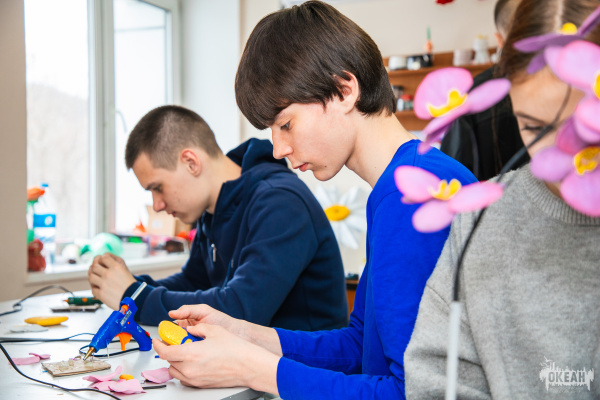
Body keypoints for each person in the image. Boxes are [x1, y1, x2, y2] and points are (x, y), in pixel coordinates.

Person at [152, 2, 476, 399]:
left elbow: (411, 392)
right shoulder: (404, 183)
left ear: (344, 90)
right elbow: (360, 347)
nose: (278, 149)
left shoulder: (411, 195)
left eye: (286, 124)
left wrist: (250, 368)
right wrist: (243, 334)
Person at [405, 0, 600, 398]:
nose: (558, 155)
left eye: (583, 127)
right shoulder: (478, 224)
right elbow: (435, 381)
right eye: (533, 127)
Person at [87, 105, 349, 331]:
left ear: (191, 162)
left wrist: (135, 296)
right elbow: (193, 282)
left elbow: (240, 311)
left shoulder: (280, 202)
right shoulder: (213, 210)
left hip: (304, 371)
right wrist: (128, 284)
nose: (157, 205)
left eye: (158, 187)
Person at [440, 0, 529, 180]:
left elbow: (453, 174)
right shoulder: (572, 82)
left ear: (499, 39)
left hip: (491, 196)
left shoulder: (472, 96)